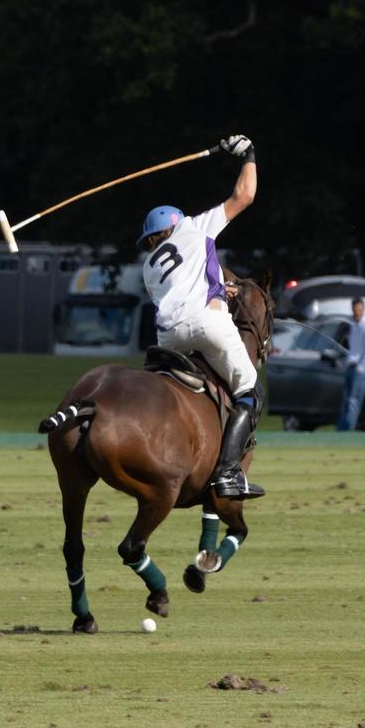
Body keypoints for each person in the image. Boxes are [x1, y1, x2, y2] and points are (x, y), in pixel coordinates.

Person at [136, 133, 261, 498]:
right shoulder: (195, 227)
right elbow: (245, 196)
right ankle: (228, 473)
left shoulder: (148, 267)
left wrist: (222, 288)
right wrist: (248, 155)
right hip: (207, 326)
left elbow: (185, 286)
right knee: (250, 390)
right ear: (175, 225)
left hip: (167, 337)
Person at [337, 297, 365, 431]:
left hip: (364, 369)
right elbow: (354, 350)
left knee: (353, 401)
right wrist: (347, 362)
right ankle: (341, 430)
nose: (357, 312)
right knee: (345, 401)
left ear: (363, 310)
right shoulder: (354, 326)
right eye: (355, 310)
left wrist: (360, 368)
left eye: (360, 310)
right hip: (353, 367)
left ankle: (347, 431)